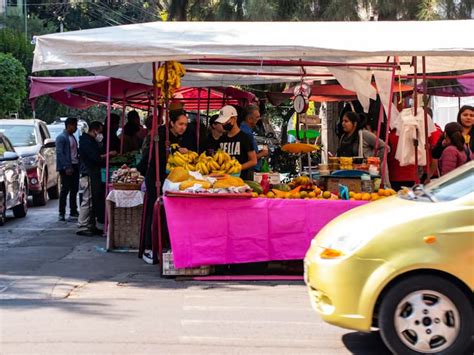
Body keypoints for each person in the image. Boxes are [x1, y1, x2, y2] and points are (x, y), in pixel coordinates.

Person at [140, 109, 189, 264]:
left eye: (185, 125)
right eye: (180, 124)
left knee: (165, 214)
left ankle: (163, 244)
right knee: (152, 213)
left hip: (167, 179)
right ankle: (148, 249)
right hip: (155, 178)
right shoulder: (161, 135)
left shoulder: (177, 137)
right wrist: (175, 149)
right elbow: (157, 155)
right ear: (172, 123)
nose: (183, 127)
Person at [77, 121, 117, 236]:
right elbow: (95, 157)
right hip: (88, 174)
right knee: (87, 200)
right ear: (94, 130)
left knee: (93, 200)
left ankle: (91, 225)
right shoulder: (86, 142)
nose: (101, 135)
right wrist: (109, 154)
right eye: (100, 132)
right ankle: (82, 225)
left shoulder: (91, 141)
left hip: (93, 173)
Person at [215, 105, 257, 180]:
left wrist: (237, 168)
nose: (223, 124)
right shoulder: (221, 139)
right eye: (222, 122)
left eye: (225, 121)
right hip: (223, 179)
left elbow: (253, 161)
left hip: (240, 180)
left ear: (234, 119)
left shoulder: (245, 138)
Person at [55, 117, 80, 221]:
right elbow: (60, 153)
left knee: (74, 189)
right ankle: (62, 212)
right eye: (75, 125)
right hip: (67, 167)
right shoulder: (61, 138)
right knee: (65, 189)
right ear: (69, 125)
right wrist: (66, 166)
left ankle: (73, 210)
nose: (76, 128)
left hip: (75, 165)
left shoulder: (73, 137)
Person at [240, 105, 269, 175]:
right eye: (257, 117)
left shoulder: (246, 131)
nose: (259, 119)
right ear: (249, 119)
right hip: (249, 170)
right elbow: (249, 157)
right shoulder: (246, 133)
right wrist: (263, 153)